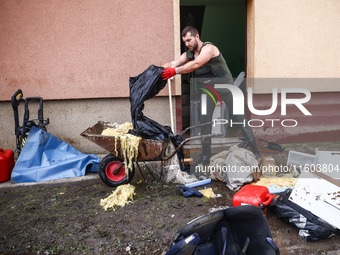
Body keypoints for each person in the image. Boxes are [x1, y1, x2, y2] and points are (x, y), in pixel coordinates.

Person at [161, 26, 260, 165]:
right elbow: (173, 63)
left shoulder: (209, 48)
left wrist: (175, 71)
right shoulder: (188, 54)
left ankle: (256, 152)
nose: (187, 44)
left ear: (197, 37)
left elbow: (196, 64)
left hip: (226, 88)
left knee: (240, 119)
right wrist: (160, 70)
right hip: (209, 91)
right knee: (204, 123)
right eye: (185, 42)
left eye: (189, 40)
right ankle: (206, 157)